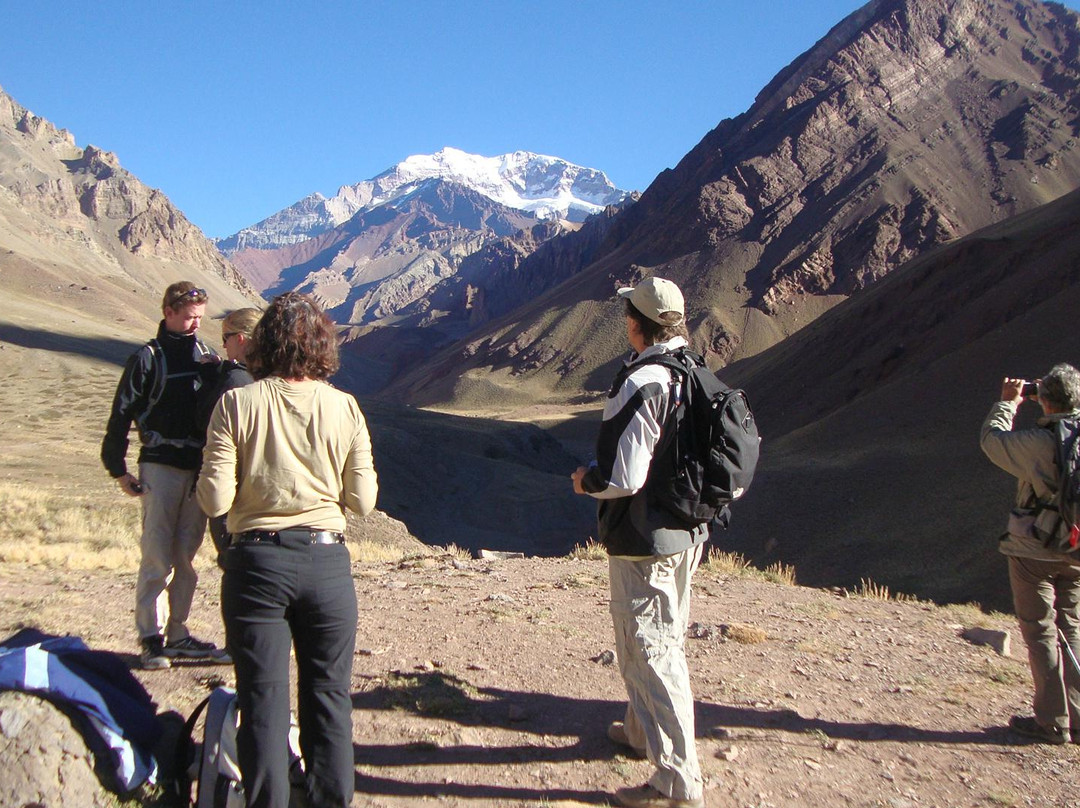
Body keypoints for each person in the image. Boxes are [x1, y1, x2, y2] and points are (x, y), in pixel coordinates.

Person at [197, 292, 378, 808]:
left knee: (262, 702)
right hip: (327, 564)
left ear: (264, 345)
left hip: (255, 565)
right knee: (329, 699)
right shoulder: (345, 407)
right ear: (323, 344)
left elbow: (213, 498)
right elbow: (363, 502)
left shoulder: (236, 403)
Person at [571, 277, 708, 808]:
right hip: (687, 533)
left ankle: (678, 784)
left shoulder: (644, 380)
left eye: (627, 312)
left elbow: (625, 476)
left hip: (645, 539)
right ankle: (637, 732)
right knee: (659, 637)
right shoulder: (692, 370)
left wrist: (586, 482)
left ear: (636, 322)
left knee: (650, 650)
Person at [101, 281, 230, 670]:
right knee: (157, 553)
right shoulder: (147, 358)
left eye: (200, 318)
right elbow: (121, 415)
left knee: (186, 555)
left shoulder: (206, 357)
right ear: (169, 311)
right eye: (190, 317)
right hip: (159, 465)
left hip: (196, 468)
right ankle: (150, 638)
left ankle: (178, 633)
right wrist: (118, 469)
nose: (195, 325)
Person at [980, 364, 1080, 745]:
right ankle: (1078, 714)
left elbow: (992, 441)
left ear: (1046, 400)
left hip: (1034, 549)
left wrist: (1008, 403)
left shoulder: (1041, 443)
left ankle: (1053, 721)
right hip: (1076, 549)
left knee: (1040, 630)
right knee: (1072, 626)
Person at [195, 307, 260, 560]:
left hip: (232, 493)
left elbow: (204, 421)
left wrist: (209, 381)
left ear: (240, 339)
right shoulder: (271, 378)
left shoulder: (234, 384)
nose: (223, 345)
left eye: (226, 338)